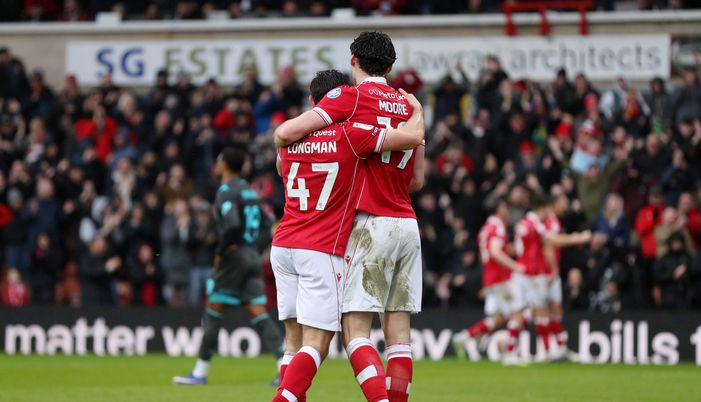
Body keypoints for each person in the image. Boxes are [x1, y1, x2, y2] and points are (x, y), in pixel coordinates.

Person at [274, 31, 424, 402]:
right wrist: (419, 115)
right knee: (399, 337)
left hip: (365, 224)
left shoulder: (350, 101)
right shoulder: (408, 108)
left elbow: (283, 135)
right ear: (390, 66)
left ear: (352, 59)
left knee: (353, 333)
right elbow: (417, 180)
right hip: (406, 221)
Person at [173, 148, 284, 385]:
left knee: (213, 312)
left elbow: (232, 225)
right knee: (258, 313)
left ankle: (200, 373)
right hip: (252, 256)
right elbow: (267, 223)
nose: (216, 164)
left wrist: (221, 252)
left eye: (218, 161)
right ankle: (283, 368)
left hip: (234, 258)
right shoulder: (250, 192)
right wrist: (254, 247)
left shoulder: (226, 192)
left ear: (224, 166)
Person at [451, 198, 528, 365]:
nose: (507, 211)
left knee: (500, 317)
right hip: (501, 278)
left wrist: (511, 250)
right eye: (505, 207)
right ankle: (509, 354)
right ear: (499, 209)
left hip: (492, 277)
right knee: (518, 313)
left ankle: (465, 337)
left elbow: (493, 250)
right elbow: (495, 251)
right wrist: (515, 265)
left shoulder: (486, 228)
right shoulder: (498, 226)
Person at [542, 194, 591, 361]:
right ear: (554, 203)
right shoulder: (550, 220)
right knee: (539, 311)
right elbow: (550, 243)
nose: (566, 206)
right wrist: (576, 238)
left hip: (549, 272)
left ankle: (560, 348)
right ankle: (548, 349)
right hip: (543, 272)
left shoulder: (555, 220)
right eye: (563, 202)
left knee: (555, 309)